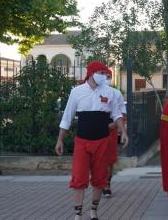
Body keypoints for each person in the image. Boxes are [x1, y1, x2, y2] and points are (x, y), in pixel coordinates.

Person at [54, 61, 127, 220]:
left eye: (104, 73)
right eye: (100, 73)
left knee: (100, 178)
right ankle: (78, 213)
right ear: (91, 73)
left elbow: (117, 115)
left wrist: (123, 131)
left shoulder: (111, 92)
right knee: (79, 177)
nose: (103, 76)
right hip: (82, 141)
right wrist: (60, 140)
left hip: (102, 141)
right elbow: (67, 118)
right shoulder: (77, 92)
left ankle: (93, 211)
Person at [103, 68, 127, 198]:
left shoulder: (116, 93)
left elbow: (122, 113)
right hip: (95, 130)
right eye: (104, 75)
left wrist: (114, 125)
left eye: (108, 76)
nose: (106, 78)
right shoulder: (93, 93)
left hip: (111, 129)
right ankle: (99, 182)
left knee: (110, 160)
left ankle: (107, 184)